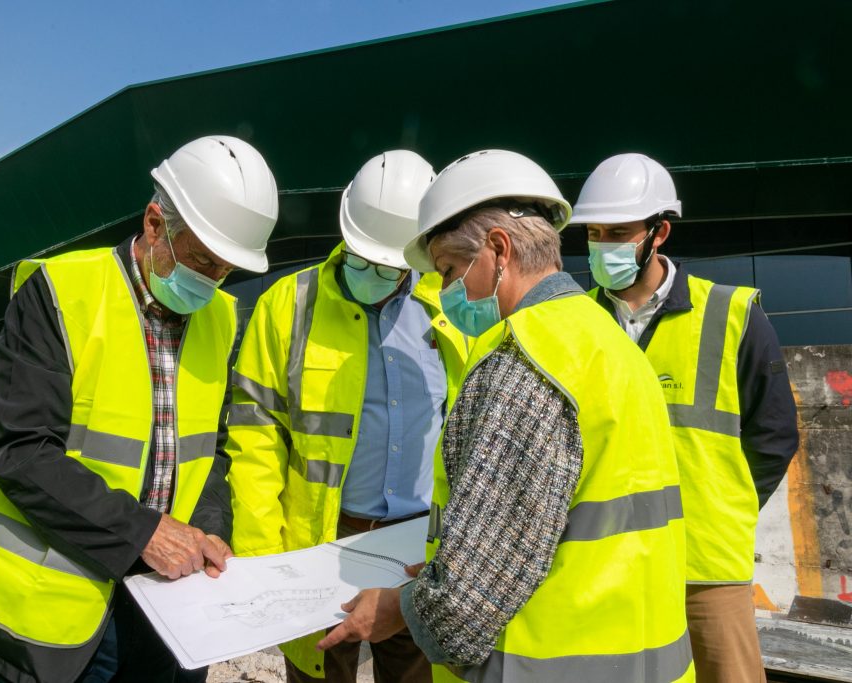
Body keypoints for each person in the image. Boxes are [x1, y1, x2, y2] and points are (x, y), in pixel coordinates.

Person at [319, 149, 694, 682]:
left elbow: (463, 611)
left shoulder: (524, 363)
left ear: (498, 249)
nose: (446, 293)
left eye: (449, 270)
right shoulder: (605, 337)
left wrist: (397, 609)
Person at [0, 136, 279, 683]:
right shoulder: (61, 292)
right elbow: (20, 450)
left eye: (226, 269)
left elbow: (211, 450)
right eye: (202, 260)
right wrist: (143, 534)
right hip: (64, 603)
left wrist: (207, 527)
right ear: (156, 223)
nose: (211, 281)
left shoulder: (221, 317)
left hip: (170, 601)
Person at [228, 150, 468, 682]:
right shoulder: (287, 304)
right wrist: (262, 563)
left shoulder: (453, 309)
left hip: (419, 547)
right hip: (322, 543)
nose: (371, 273)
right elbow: (255, 438)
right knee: (319, 669)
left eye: (387, 266)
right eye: (360, 257)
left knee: (416, 671)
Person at [570, 152, 799, 683]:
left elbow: (774, 436)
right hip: (608, 561)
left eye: (618, 231)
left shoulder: (731, 314)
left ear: (660, 232)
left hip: (705, 567)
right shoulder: (576, 322)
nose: (603, 244)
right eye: (594, 232)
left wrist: (723, 504)